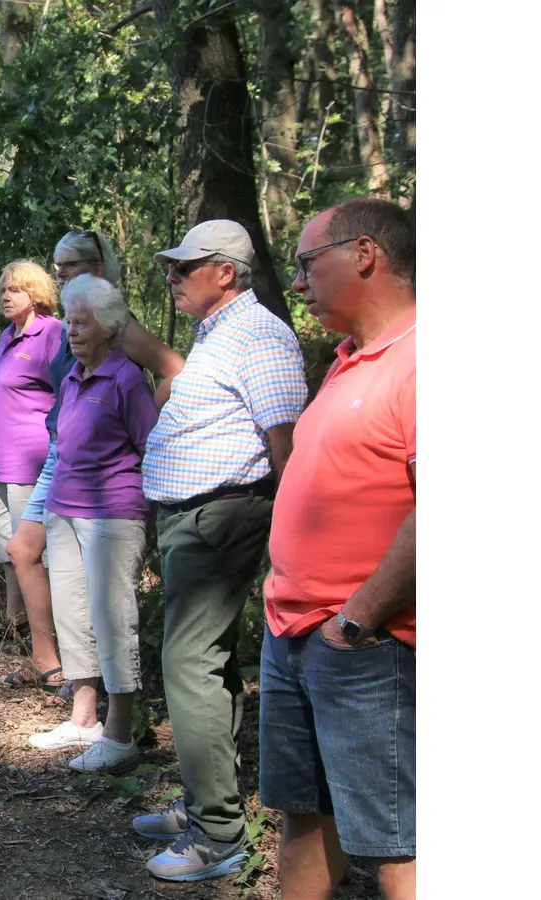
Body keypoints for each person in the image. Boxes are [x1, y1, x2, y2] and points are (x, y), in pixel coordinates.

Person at [130, 220, 309, 882]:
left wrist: (293, 552)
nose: (172, 277)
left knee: (188, 663)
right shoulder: (218, 333)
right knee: (208, 662)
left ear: (226, 272)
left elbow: (287, 449)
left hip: (224, 516)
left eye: (185, 267)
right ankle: (208, 799)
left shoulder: (260, 336)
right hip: (197, 519)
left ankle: (220, 835)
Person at [259, 198, 416, 899]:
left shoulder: (425, 360)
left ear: (364, 254)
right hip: (295, 632)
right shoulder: (349, 360)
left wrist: (358, 619)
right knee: (306, 817)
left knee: (399, 839)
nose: (297, 285)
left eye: (306, 264)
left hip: (365, 645)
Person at [5, 230, 183, 700]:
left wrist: (137, 419)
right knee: (23, 550)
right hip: (61, 457)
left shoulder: (112, 318)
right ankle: (54, 665)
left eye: (72, 264)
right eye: (57, 264)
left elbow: (175, 369)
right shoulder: (68, 320)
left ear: (99, 267)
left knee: (95, 585)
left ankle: (102, 687)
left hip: (105, 476)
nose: (59, 271)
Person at [27, 274, 157, 774]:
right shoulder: (73, 376)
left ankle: (119, 732)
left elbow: (150, 448)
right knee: (73, 613)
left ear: (107, 327)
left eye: (81, 322)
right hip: (64, 507)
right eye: (69, 321)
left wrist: (148, 512)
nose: (71, 331)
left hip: (113, 513)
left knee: (112, 616)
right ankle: (83, 718)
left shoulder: (126, 379)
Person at [0, 260, 64, 691]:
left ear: (36, 293)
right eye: (2, 289)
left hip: (32, 459)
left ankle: (47, 643)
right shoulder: (4, 337)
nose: (5, 295)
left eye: (15, 289)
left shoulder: (52, 333)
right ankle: (14, 625)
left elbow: (69, 393)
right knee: (5, 548)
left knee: (32, 553)